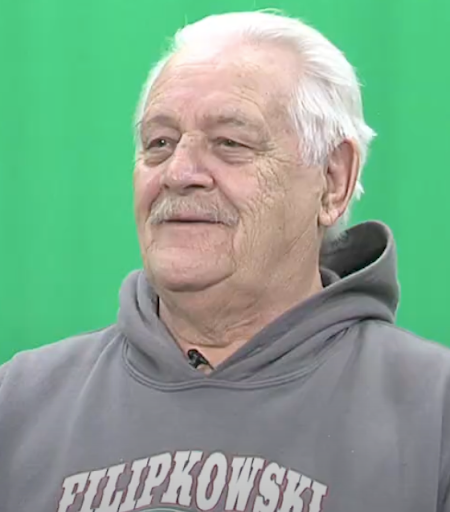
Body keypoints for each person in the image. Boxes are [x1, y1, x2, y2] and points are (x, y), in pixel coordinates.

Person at [0, 10, 449, 512]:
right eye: (159, 143)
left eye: (230, 143)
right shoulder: (17, 405)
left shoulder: (435, 415)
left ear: (333, 181)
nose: (179, 172)